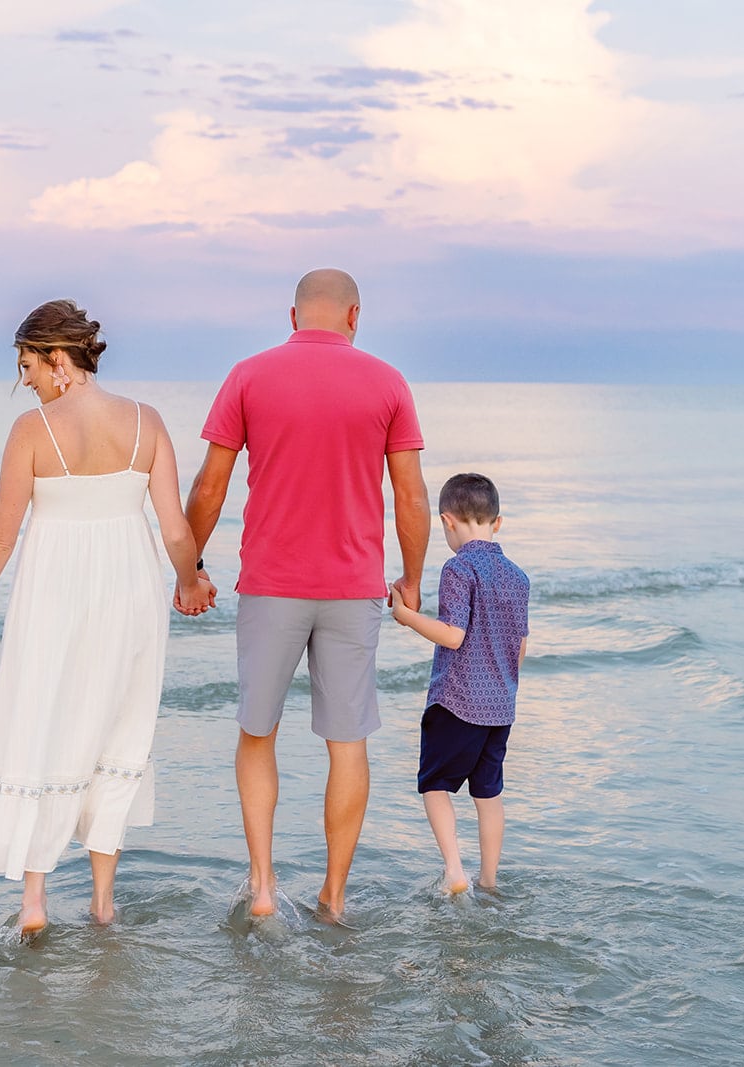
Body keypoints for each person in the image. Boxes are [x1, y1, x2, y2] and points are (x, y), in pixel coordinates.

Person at [0, 299, 212, 937]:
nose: (27, 380)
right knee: (118, 729)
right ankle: (102, 903)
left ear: (59, 358)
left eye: (29, 365)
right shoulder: (147, 421)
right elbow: (174, 527)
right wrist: (190, 582)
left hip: (54, 594)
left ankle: (35, 902)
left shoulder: (32, 430)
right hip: (131, 592)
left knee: (43, 720)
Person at [184, 268, 431, 923]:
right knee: (347, 743)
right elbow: (410, 494)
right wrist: (412, 575)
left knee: (257, 733)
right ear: (355, 316)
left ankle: (263, 887)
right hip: (354, 590)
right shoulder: (388, 382)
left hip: (272, 585)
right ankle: (334, 896)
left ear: (293, 317)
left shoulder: (249, 374)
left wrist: (190, 566)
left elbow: (210, 486)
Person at [389, 472, 529, 895]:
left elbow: (453, 635)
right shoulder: (518, 576)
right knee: (488, 795)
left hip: (457, 701)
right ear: (497, 522)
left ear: (447, 522)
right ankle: (489, 882)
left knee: (434, 785)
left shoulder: (457, 567)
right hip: (501, 707)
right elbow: (521, 646)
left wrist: (406, 616)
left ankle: (454, 871)